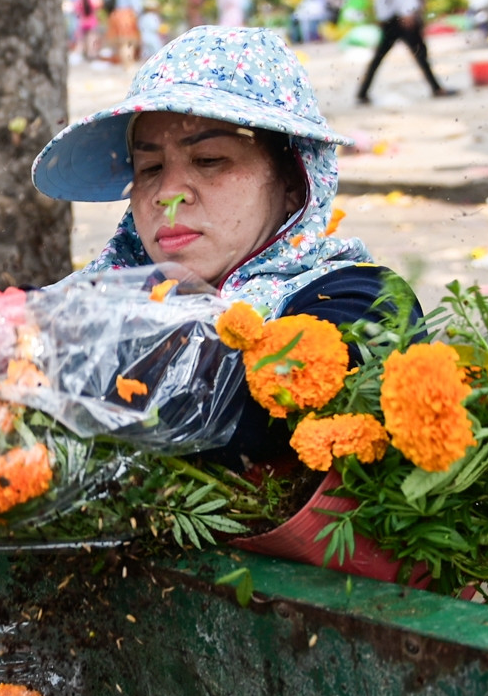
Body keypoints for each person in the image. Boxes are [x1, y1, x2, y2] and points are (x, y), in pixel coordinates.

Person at [31, 26, 421, 469]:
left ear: (294, 182)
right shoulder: (94, 297)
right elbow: (4, 326)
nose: (168, 194)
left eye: (210, 160)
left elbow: (255, 412)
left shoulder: (360, 301)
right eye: (150, 167)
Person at [357, 0, 456, 103]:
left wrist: (383, 16)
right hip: (401, 19)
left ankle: (362, 92)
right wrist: (407, 13)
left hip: (393, 19)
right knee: (420, 55)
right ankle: (436, 89)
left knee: (380, 57)